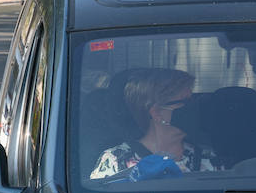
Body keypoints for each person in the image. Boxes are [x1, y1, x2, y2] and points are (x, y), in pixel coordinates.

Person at [89, 68, 220, 179]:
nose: (192, 107)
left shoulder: (207, 157)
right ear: (156, 112)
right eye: (184, 102)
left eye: (192, 99)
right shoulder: (115, 161)